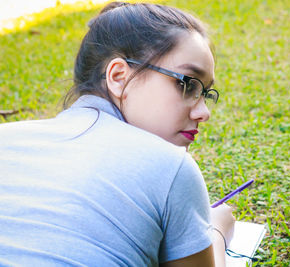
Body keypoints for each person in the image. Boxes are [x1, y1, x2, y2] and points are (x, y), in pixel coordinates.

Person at [0, 2, 235, 266]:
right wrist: (217, 232)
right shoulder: (172, 166)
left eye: (206, 93)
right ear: (119, 76)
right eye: (188, 84)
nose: (204, 112)